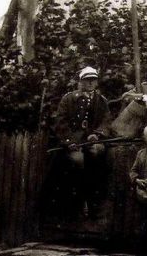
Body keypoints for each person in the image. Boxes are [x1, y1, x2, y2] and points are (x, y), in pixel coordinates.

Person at [52, 66, 111, 219]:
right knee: (77, 160)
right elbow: (60, 123)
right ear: (81, 81)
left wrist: (97, 134)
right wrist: (69, 141)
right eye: (87, 80)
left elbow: (106, 121)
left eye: (93, 80)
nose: (90, 83)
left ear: (97, 82)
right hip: (74, 143)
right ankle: (75, 205)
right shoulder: (69, 99)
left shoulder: (101, 100)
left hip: (92, 141)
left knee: (97, 154)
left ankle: (94, 204)